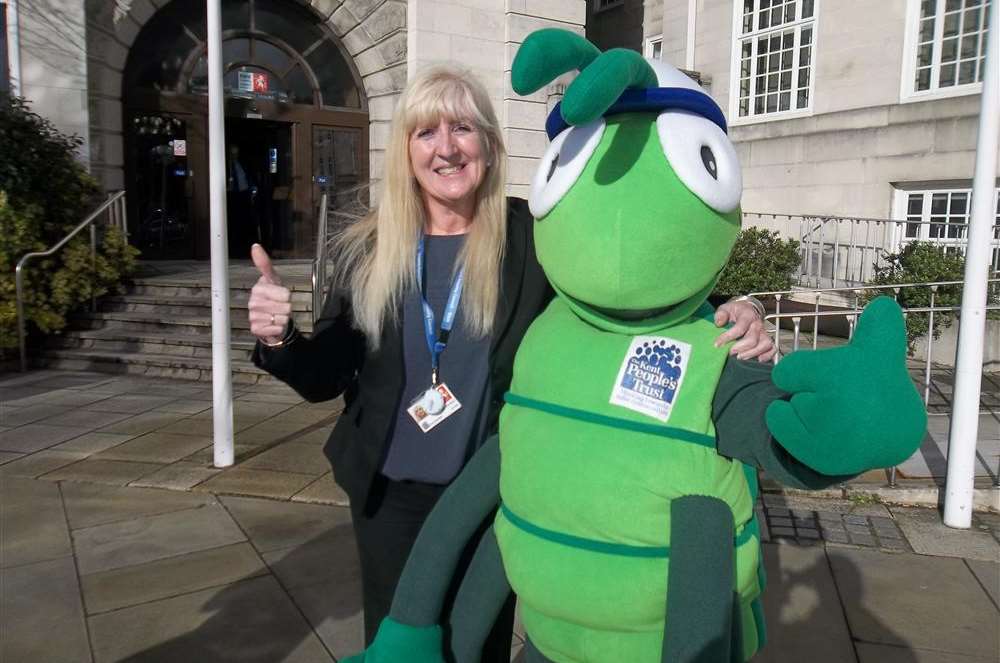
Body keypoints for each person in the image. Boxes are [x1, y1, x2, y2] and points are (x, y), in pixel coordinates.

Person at [246, 65, 774, 661]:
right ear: (406, 151)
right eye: (426, 133)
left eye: (463, 128)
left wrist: (736, 308)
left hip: (490, 484)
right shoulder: (369, 247)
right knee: (397, 638)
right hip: (389, 494)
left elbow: (625, 293)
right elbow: (329, 372)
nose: (446, 148)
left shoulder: (530, 236)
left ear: (489, 145)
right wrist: (282, 339)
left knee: (478, 642)